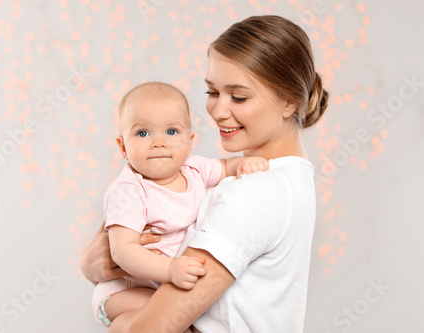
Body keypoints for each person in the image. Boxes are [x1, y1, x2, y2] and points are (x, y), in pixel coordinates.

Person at [80, 15, 329, 332]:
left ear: (288, 102)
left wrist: (100, 282)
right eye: (212, 92)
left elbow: (150, 328)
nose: (218, 110)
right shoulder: (280, 180)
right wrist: (98, 265)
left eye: (238, 97)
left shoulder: (258, 191)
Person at [91, 81, 269, 327]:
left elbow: (224, 167)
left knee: (181, 316)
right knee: (158, 316)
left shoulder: (194, 168)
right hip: (125, 291)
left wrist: (243, 164)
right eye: (143, 133)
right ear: (123, 147)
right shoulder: (129, 191)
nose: (159, 142)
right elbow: (122, 251)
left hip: (162, 286)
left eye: (171, 131)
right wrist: (170, 269)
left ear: (190, 140)